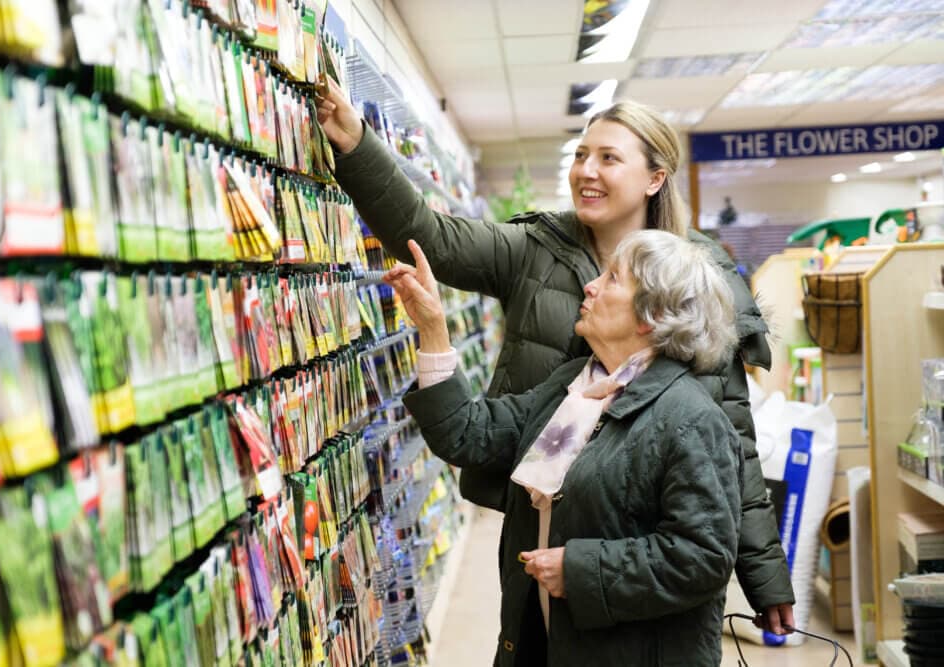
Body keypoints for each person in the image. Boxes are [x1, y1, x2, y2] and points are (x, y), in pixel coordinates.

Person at [315, 82, 795, 632]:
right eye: (581, 155)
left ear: (655, 178)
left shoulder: (699, 280)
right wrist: (356, 146)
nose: (586, 171)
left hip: (643, 535)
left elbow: (733, 438)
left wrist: (764, 572)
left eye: (609, 158)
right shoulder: (535, 249)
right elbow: (431, 238)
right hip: (542, 520)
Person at [387, 232, 743, 665]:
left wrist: (579, 571)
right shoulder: (574, 385)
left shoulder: (691, 419)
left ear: (652, 314)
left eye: (613, 278)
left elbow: (701, 557)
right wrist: (433, 328)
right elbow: (470, 432)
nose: (591, 285)